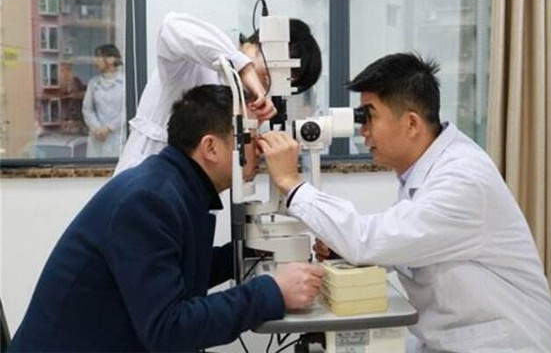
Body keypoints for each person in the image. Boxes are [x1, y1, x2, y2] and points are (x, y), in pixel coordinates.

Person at [258, 53, 551, 352]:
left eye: (370, 116)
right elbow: (404, 243)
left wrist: (292, 183)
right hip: (458, 339)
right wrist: (344, 250)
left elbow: (368, 240)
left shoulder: (462, 179)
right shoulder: (427, 171)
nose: (362, 130)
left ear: (412, 124)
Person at [9, 85, 325, 352]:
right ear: (211, 147)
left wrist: (258, 250)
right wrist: (271, 291)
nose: (260, 149)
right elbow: (168, 328)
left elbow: (176, 269)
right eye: (248, 138)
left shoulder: (173, 185)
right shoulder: (148, 202)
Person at [113, 12, 322, 174]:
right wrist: (245, 68)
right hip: (145, 177)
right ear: (260, 44)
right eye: (267, 77)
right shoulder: (199, 61)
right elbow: (171, 26)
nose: (266, 87)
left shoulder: (243, 97)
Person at [82, 44, 125, 157]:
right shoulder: (93, 83)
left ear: (111, 59)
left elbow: (128, 110)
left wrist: (109, 128)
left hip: (118, 137)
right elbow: (87, 109)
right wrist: (96, 128)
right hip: (97, 139)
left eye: (99, 57)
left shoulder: (125, 83)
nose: (96, 60)